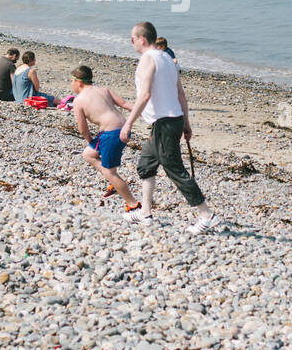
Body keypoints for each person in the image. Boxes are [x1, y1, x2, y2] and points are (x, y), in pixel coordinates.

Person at [120, 21, 219, 233]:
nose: (131, 42)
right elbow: (180, 94)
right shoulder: (167, 58)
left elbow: (145, 95)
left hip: (165, 123)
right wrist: (186, 122)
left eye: (133, 38)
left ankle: (207, 215)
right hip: (167, 121)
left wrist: (128, 123)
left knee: (174, 168)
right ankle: (145, 214)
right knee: (146, 165)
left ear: (142, 39)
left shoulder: (148, 59)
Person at [71, 64, 141, 214]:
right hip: (123, 128)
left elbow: (83, 129)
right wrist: (142, 112)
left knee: (109, 171)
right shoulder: (104, 90)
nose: (71, 84)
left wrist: (89, 140)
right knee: (88, 154)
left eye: (72, 81)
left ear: (79, 82)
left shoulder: (79, 100)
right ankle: (113, 184)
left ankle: (133, 204)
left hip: (112, 133)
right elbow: (125, 104)